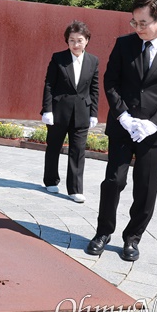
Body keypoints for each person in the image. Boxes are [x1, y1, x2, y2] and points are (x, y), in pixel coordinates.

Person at [86, 0, 157, 261]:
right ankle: (102, 232)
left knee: (145, 188)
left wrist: (153, 124)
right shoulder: (124, 45)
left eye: (143, 23)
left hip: (155, 132)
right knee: (114, 181)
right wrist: (123, 116)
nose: (137, 28)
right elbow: (111, 82)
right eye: (134, 22)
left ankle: (132, 238)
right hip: (124, 126)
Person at [41, 20, 99, 203]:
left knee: (78, 150)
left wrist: (94, 113)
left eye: (79, 40)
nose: (75, 44)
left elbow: (94, 88)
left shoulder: (93, 61)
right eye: (72, 40)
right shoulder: (58, 58)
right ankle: (50, 180)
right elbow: (49, 85)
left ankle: (75, 189)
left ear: (87, 40)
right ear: (67, 41)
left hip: (82, 112)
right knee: (54, 147)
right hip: (59, 111)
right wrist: (47, 110)